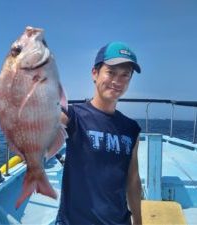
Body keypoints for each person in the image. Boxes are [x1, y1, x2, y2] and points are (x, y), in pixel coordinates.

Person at [56, 42, 142, 225]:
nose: (117, 81)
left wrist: (139, 222)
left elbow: (133, 180)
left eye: (125, 75)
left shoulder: (131, 128)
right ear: (94, 73)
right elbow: (42, 129)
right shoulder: (72, 116)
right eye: (111, 72)